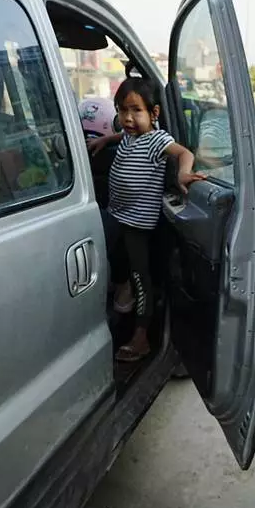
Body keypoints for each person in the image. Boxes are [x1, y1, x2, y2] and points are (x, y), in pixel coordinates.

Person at [87, 77, 204, 362]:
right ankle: (123, 285)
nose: (127, 118)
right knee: (114, 260)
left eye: (135, 110)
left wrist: (183, 173)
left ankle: (141, 338)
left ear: (154, 113)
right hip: (118, 215)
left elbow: (184, 153)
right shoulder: (130, 136)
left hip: (137, 224)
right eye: (121, 110)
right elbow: (121, 136)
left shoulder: (157, 140)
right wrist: (105, 139)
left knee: (141, 279)